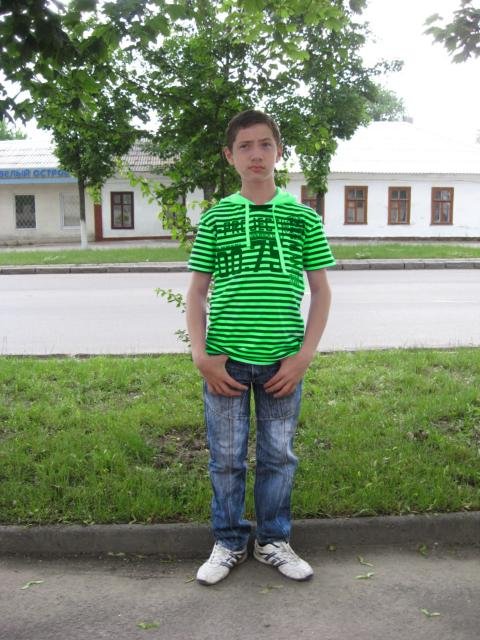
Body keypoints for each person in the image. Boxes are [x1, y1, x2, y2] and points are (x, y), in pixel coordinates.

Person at [186, 109, 335, 586]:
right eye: (245, 146)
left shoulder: (302, 217)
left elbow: (322, 291)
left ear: (279, 152)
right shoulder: (216, 217)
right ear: (229, 156)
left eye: (265, 144)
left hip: (282, 363)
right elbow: (196, 291)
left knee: (279, 456)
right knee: (226, 459)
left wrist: (304, 356)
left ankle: (273, 540)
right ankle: (229, 541)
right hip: (225, 363)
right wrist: (201, 355)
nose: (256, 154)